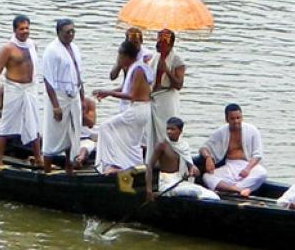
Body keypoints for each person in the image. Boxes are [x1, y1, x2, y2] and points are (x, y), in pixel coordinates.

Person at [0, 15, 43, 169]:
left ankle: (38, 159)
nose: (25, 31)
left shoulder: (32, 45)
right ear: (15, 30)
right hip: (14, 89)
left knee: (33, 123)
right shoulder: (7, 48)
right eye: (21, 28)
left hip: (30, 89)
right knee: (6, 124)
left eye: (27, 28)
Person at [92, 40, 152, 173]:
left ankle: (110, 164)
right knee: (131, 140)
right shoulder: (136, 68)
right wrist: (108, 92)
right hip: (141, 110)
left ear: (126, 57)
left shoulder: (137, 69)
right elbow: (126, 87)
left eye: (120, 56)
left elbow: (132, 95)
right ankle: (134, 164)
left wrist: (110, 93)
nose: (118, 59)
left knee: (105, 128)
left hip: (138, 109)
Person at [41, 19, 84, 173]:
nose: (70, 34)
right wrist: (56, 106)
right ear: (58, 32)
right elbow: (47, 79)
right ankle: (47, 170)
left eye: (73, 31)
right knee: (53, 134)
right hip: (58, 97)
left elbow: (79, 76)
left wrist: (83, 99)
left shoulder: (75, 48)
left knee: (72, 132)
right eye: (67, 32)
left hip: (74, 96)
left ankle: (69, 167)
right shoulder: (51, 50)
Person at [199, 104, 267, 197]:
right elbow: (204, 148)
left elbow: (258, 155)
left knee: (262, 173)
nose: (236, 121)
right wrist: (208, 158)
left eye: (238, 118)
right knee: (206, 177)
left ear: (242, 117)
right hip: (230, 166)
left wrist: (247, 169)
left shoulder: (252, 130)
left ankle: (229, 190)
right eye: (232, 118)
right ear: (227, 119)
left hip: (248, 165)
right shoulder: (221, 132)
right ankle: (238, 190)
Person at [145, 117, 219, 202]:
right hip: (167, 184)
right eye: (168, 129)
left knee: (214, 196)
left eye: (172, 129)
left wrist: (192, 171)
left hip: (180, 182)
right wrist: (149, 191)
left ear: (180, 131)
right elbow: (149, 167)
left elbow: (194, 169)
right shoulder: (162, 145)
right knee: (194, 192)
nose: (169, 131)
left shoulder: (183, 146)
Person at [146, 29, 185, 162]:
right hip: (155, 98)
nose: (158, 45)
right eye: (157, 41)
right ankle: (154, 161)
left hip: (167, 98)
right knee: (153, 132)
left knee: (167, 131)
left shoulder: (177, 59)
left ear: (170, 44)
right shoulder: (155, 57)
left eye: (161, 43)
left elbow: (179, 85)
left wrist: (167, 70)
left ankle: (171, 161)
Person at [73, 97, 97, 169]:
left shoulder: (88, 102)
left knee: (85, 147)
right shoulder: (60, 102)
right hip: (69, 133)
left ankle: (80, 159)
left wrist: (81, 112)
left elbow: (91, 123)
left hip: (86, 134)